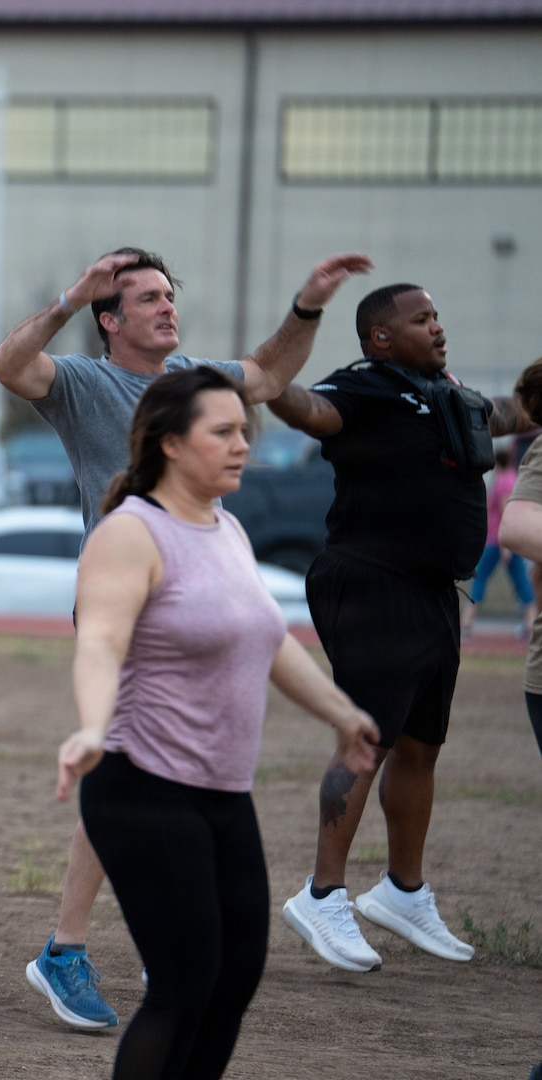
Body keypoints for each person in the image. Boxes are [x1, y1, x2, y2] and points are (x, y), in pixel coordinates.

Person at [0, 246, 373, 1027]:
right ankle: (66, 950)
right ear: (111, 317)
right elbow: (8, 364)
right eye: (147, 298)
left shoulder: (195, 378)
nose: (167, 307)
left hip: (207, 596)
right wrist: (70, 295)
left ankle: (151, 939)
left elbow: (266, 376)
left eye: (170, 295)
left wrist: (308, 306)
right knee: (127, 770)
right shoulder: (87, 384)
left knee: (184, 773)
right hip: (129, 598)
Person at [57, 365, 377, 1080]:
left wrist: (344, 715)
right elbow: (101, 641)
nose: (241, 446)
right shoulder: (131, 532)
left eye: (245, 432)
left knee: (233, 981)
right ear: (170, 443)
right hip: (141, 784)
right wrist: (88, 726)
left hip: (222, 793)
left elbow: (266, 639)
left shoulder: (225, 527)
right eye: (223, 432)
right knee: (184, 983)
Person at [271, 283, 528, 971]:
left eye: (438, 315)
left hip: (433, 594)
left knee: (420, 747)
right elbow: (309, 409)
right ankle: (322, 894)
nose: (438, 327)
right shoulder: (364, 389)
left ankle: (403, 891)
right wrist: (270, 385)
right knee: (369, 739)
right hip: (369, 582)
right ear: (381, 336)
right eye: (421, 319)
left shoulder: (449, 396)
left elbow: (511, 412)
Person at [495, 359, 542, 756]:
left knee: (527, 589)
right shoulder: (520, 472)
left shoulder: (506, 477)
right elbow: (511, 524)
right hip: (495, 547)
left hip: (498, 548)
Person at [461, 447, 536, 638]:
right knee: (521, 581)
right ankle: (530, 624)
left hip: (498, 541)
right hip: (509, 540)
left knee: (480, 577)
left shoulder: (503, 480)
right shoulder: (514, 477)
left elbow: (505, 511)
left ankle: (467, 623)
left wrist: (504, 546)